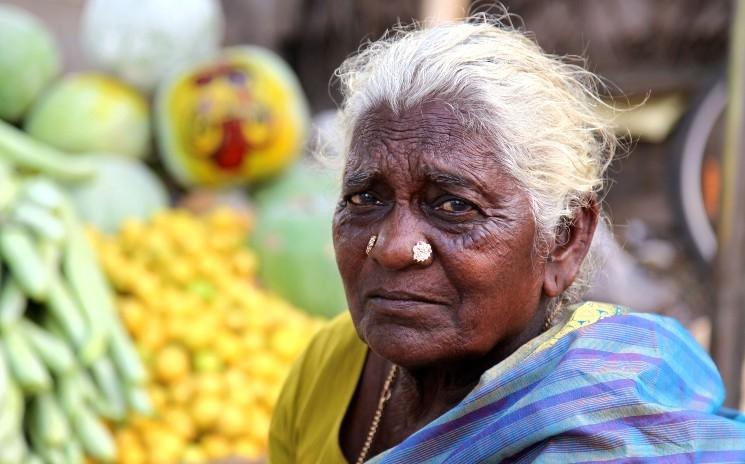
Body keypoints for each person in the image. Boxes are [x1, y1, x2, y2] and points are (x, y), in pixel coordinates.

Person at [269, 15, 745, 463]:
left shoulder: (605, 440)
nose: (394, 248)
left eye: (454, 206)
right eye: (364, 198)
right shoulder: (326, 368)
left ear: (564, 240)